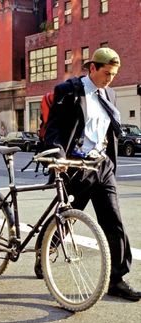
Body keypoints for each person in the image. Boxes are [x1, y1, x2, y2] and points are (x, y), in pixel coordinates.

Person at [42, 47, 141, 301]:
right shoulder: (69, 91)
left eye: (114, 75)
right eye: (106, 73)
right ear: (92, 68)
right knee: (66, 219)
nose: (110, 79)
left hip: (101, 165)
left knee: (114, 221)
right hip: (76, 166)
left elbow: (109, 132)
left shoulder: (110, 94)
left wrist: (110, 162)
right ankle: (44, 253)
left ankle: (117, 279)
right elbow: (53, 129)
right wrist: (58, 156)